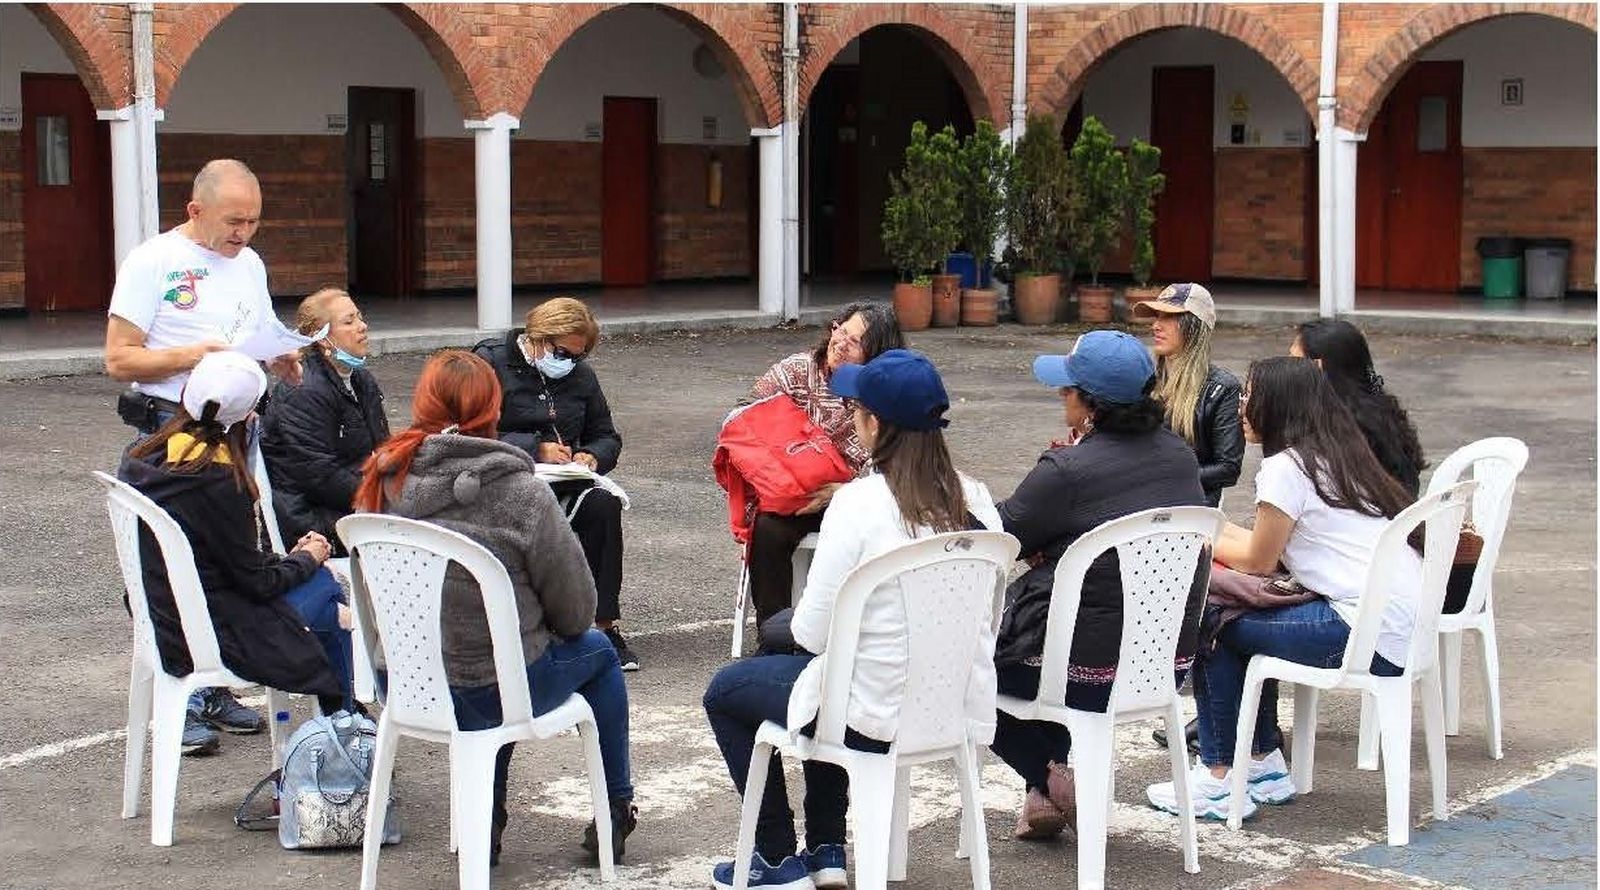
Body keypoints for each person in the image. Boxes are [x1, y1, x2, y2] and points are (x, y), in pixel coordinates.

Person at [704, 349, 1002, 889]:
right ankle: (825, 848)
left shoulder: (860, 503)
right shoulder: (976, 497)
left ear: (874, 423)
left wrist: (779, 628)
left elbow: (813, 632)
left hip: (871, 709)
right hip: (948, 701)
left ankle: (774, 855)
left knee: (730, 688)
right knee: (818, 669)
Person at [353, 350, 636, 867]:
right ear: (494, 409)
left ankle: (488, 823)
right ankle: (615, 807)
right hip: (490, 690)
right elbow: (576, 612)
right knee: (591, 651)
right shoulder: (521, 492)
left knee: (492, 655)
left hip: (404, 684)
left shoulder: (384, 480)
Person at [1144, 357, 1421, 822]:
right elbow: (1258, 543)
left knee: (1216, 622)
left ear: (1279, 406)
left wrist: (1196, 534)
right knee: (1247, 627)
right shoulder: (1339, 452)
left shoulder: (1284, 469)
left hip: (1360, 632)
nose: (1242, 405)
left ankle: (1217, 776)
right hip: (1399, 625)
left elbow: (1258, 560)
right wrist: (1209, 527)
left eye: (1250, 395)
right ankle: (1262, 763)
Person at [104, 158, 304, 748]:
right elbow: (119, 358)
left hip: (236, 438)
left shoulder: (250, 264)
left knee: (227, 561)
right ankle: (176, 687)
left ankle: (211, 687)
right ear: (195, 211)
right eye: (234, 221)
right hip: (172, 434)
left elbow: (259, 330)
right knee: (166, 566)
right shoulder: (154, 262)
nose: (243, 233)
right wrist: (196, 355)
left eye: (254, 222)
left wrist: (280, 355)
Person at [989, 330, 1209, 840]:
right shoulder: (1179, 456)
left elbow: (1000, 538)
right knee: (1064, 628)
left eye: (1066, 390)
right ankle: (1042, 794)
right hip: (1162, 663)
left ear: (1091, 404)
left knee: (960, 666)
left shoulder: (1067, 470)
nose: (1060, 397)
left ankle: (1045, 778)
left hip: (1084, 671)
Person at [117, 350, 355, 756]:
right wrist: (307, 558)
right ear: (249, 417)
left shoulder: (144, 457)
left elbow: (229, 562)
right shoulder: (218, 480)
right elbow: (257, 582)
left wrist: (292, 561)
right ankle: (345, 727)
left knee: (327, 598)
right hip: (211, 632)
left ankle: (345, 721)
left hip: (161, 614)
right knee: (325, 586)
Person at [473, 298, 637, 670]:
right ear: (537, 339)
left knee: (603, 506)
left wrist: (592, 456)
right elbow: (471, 433)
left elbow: (606, 434)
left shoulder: (580, 375)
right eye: (562, 352)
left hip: (565, 480)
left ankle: (603, 625)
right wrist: (534, 448)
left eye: (578, 356)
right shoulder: (490, 362)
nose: (569, 362)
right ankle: (527, 625)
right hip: (508, 479)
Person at [741, 301, 905, 630]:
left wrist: (845, 492)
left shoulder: (889, 390)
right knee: (769, 528)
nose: (840, 342)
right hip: (796, 494)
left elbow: (899, 468)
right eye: (840, 330)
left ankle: (857, 629)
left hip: (860, 497)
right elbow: (744, 415)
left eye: (854, 340)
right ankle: (772, 633)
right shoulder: (799, 370)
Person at [260, 288, 388, 552]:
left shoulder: (361, 379)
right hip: (311, 521)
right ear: (321, 339)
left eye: (360, 318)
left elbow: (384, 446)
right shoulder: (303, 389)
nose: (362, 327)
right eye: (349, 321)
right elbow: (320, 475)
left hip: (352, 504)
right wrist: (382, 496)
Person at [1131, 282, 1243, 507]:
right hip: (1140, 500)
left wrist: (1164, 477)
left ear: (1193, 326)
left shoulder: (1222, 389)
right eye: (1156, 317)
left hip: (1192, 506)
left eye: (1167, 317)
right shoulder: (1145, 379)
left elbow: (1228, 468)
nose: (1155, 326)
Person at [1291, 318, 1426, 496]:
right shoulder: (1379, 407)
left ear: (1318, 367)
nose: (1287, 368)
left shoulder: (1335, 424)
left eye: (1294, 361)